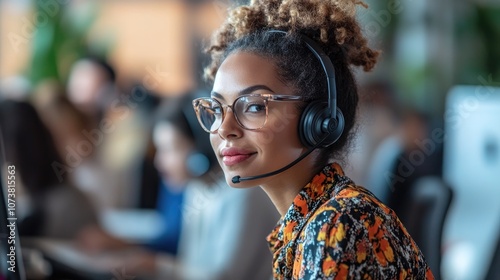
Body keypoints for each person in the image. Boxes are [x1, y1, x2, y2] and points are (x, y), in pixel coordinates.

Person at [191, 0, 434, 279]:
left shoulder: (338, 225)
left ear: (318, 121)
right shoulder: (304, 228)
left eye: (255, 106)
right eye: (217, 108)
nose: (225, 128)